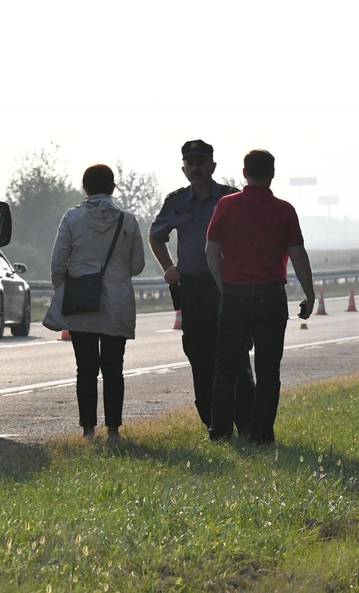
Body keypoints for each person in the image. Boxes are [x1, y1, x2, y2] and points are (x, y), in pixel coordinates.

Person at [205, 149, 315, 443]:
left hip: (235, 295)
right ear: (272, 174)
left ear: (244, 173)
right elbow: (298, 255)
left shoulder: (226, 206)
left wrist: (223, 285)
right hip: (270, 295)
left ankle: (221, 431)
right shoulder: (284, 210)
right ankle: (262, 432)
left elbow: (211, 250)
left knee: (226, 366)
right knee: (268, 369)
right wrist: (310, 293)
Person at [149, 139, 255, 435]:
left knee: (234, 353)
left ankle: (246, 423)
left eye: (201, 162)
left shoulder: (230, 198)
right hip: (193, 288)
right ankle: (213, 423)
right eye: (190, 163)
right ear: (184, 168)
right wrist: (168, 267)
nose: (195, 168)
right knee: (199, 355)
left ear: (212, 166)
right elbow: (156, 236)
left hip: (228, 288)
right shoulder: (176, 201)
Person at [44, 164, 145, 440]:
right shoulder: (128, 221)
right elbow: (137, 266)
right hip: (117, 304)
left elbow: (57, 262)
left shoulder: (72, 218)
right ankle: (113, 430)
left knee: (85, 368)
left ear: (84, 188)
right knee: (114, 368)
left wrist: (65, 290)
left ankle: (88, 430)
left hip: (82, 303)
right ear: (113, 188)